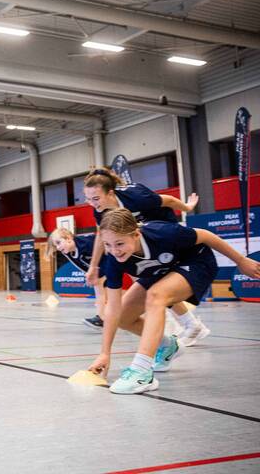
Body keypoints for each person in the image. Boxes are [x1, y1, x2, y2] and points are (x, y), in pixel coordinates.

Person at [87, 208, 260, 394]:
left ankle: (142, 372)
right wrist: (105, 353)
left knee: (156, 296)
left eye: (119, 243)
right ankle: (168, 346)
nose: (114, 251)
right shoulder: (113, 259)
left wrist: (241, 261)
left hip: (197, 262)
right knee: (123, 317)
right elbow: (113, 308)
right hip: (162, 271)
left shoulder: (163, 233)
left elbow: (206, 236)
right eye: (107, 245)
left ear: (136, 234)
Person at [81, 167, 209, 346]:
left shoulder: (136, 197)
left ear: (110, 193)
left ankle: (185, 324)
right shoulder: (100, 210)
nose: (92, 203)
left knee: (157, 285)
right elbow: (102, 235)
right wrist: (93, 266)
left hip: (163, 235)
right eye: (88, 199)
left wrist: (187, 207)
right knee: (150, 283)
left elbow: (170, 200)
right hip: (137, 244)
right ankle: (188, 324)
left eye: (95, 198)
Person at [48, 229, 101, 328]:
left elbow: (102, 253)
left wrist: (95, 270)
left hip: (112, 258)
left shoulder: (87, 243)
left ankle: (103, 317)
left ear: (68, 238)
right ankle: (102, 317)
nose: (58, 248)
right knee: (99, 288)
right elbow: (80, 265)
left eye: (59, 243)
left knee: (102, 288)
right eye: (56, 246)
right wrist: (88, 274)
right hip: (101, 268)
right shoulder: (67, 252)